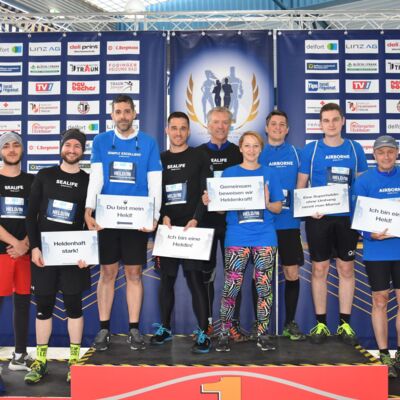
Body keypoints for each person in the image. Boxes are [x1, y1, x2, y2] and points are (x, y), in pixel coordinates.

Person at [85, 94, 162, 351]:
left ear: (134, 113)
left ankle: (134, 329)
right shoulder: (101, 141)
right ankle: (103, 328)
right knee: (107, 273)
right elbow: (96, 178)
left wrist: (154, 215)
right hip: (107, 218)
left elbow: (155, 181)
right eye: (118, 112)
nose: (123, 116)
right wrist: (89, 209)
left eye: (127, 111)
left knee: (134, 274)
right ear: (112, 115)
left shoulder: (148, 143)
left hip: (136, 219)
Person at [204, 131, 284, 352]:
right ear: (240, 148)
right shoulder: (229, 173)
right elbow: (220, 210)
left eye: (255, 146)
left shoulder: (270, 173)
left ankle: (262, 334)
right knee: (231, 288)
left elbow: (278, 207)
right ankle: (223, 333)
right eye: (247, 146)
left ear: (261, 149)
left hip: (265, 236)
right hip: (237, 237)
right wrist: (211, 201)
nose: (251, 150)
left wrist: (267, 203)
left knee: (264, 288)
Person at [297, 102, 368, 344]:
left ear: (343, 121)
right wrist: (309, 209)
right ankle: (321, 325)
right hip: (319, 219)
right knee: (320, 269)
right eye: (326, 120)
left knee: (346, 269)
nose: (331, 124)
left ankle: (345, 324)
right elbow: (301, 186)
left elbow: (362, 187)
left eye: (335, 119)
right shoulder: (311, 150)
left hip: (347, 219)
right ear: (320, 124)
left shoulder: (355, 149)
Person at [24, 129, 90, 384]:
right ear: (61, 147)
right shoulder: (45, 175)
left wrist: (87, 253)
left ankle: (74, 362)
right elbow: (31, 216)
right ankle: (40, 361)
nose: (72, 150)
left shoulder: (88, 180)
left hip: (74, 257)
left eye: (77, 146)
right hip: (45, 256)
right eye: (68, 145)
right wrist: (35, 247)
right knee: (43, 309)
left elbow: (92, 221)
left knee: (74, 308)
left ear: (83, 151)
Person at [151, 111, 211, 353]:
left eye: (183, 128)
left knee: (196, 280)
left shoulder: (199, 156)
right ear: (167, 130)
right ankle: (165, 328)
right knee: (167, 280)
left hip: (192, 229)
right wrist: (162, 215)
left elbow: (206, 193)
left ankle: (203, 333)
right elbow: (155, 193)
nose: (178, 132)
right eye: (174, 128)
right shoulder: (159, 159)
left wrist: (196, 218)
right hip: (167, 229)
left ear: (189, 131)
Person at [352, 135, 400, 378]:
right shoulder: (364, 181)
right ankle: (384, 355)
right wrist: (369, 234)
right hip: (376, 251)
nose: (386, 156)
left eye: (390, 151)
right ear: (375, 155)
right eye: (381, 152)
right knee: (380, 300)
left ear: (397, 153)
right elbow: (356, 217)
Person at [197, 106, 243, 340]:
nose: (220, 126)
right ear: (208, 125)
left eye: (225, 122)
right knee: (206, 276)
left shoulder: (239, 152)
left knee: (233, 276)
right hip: (205, 224)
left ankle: (232, 324)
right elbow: (192, 190)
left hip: (232, 223)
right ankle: (207, 324)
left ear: (230, 125)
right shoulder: (198, 153)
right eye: (216, 122)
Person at [259, 110, 305, 341]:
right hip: (262, 224)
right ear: (266, 128)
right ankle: (260, 326)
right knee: (260, 276)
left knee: (291, 272)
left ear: (287, 129)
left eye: (282, 124)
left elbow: (306, 186)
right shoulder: (257, 151)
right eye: (273, 124)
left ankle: (289, 323)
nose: (277, 127)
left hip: (288, 223)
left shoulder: (297, 153)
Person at [0, 132, 34, 371]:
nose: (11, 150)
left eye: (15, 145)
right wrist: (16, 243)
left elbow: (39, 217)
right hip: (2, 253)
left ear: (22, 149)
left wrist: (26, 244)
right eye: (6, 146)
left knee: (22, 303)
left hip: (25, 254)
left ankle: (19, 356)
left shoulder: (33, 181)